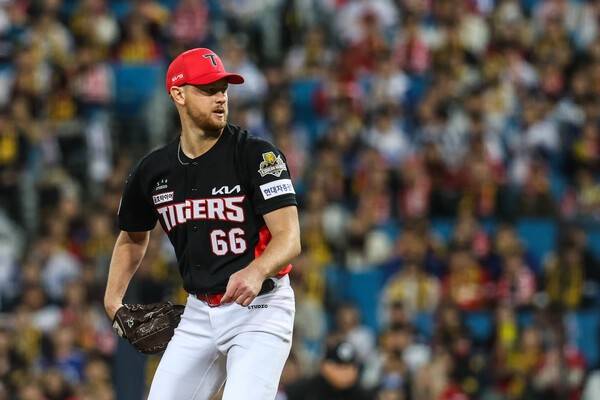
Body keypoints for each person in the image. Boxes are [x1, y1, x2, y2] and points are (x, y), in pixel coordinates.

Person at [103, 47, 301, 400]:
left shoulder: (258, 155)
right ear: (178, 94)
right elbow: (133, 237)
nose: (220, 97)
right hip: (198, 312)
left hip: (260, 308)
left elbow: (289, 238)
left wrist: (257, 270)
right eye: (208, 90)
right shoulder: (154, 170)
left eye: (223, 89)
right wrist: (112, 302)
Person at [284, 340, 373, 400]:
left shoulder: (362, 394)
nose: (343, 372)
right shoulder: (303, 389)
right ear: (324, 365)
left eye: (347, 367)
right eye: (338, 366)